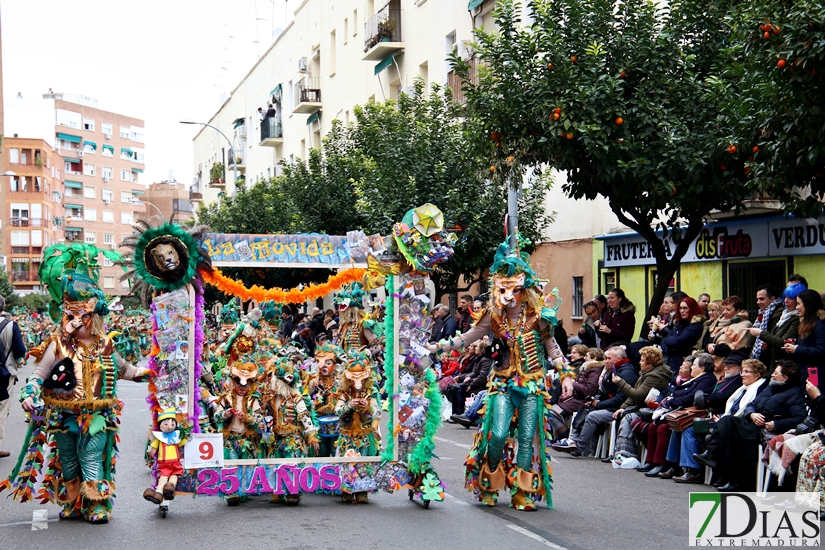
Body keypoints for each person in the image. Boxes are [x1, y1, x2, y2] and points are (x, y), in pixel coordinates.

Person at [429, 234, 575, 510]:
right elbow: (468, 337)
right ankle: (490, 485)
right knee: (496, 434)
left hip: (532, 386)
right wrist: (436, 347)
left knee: (526, 437)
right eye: (503, 290)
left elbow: (553, 348)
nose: (509, 296)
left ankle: (522, 492)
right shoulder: (492, 317)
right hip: (502, 384)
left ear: (525, 289)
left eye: (515, 290)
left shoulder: (540, 317)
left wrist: (566, 374)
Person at [6, 259, 147, 523]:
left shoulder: (104, 345)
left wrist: (151, 374)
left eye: (84, 315)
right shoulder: (57, 344)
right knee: (68, 462)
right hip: (63, 417)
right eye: (71, 315)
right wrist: (29, 394)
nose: (77, 321)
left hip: (96, 417)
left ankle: (96, 505)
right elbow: (38, 376)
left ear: (94, 317)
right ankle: (72, 503)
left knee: (92, 458)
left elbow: (126, 370)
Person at [707, 360, 807, 492]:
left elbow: (800, 418)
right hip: (753, 424)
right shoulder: (770, 388)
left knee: (729, 426)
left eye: (776, 373)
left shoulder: (794, 394)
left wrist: (776, 424)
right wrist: (752, 414)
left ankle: (714, 455)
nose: (772, 375)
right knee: (728, 425)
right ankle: (732, 477)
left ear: (785, 378)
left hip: (766, 429)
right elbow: (752, 404)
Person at [692, 359, 769, 486]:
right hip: (734, 423)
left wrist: (725, 420)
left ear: (757, 375)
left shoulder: (761, 388)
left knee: (726, 429)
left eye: (747, 372)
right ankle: (722, 476)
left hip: (749, 425)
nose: (742, 374)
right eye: (742, 371)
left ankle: (714, 458)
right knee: (715, 430)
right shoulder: (742, 389)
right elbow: (732, 409)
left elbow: (752, 407)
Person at [552, 345, 637, 457]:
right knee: (585, 406)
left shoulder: (626, 373)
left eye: (608, 358)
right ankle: (572, 440)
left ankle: (577, 448)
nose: (605, 361)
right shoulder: (612, 370)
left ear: (619, 359)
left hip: (619, 409)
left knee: (592, 415)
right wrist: (595, 400)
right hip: (606, 404)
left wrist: (599, 404)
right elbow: (604, 393)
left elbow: (620, 399)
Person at [608, 346, 673, 461]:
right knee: (622, 414)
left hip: (650, 410)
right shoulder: (646, 373)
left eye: (642, 360)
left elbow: (637, 394)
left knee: (628, 417)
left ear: (650, 363)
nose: (639, 362)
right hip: (642, 408)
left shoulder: (655, 376)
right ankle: (619, 451)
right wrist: (623, 407)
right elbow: (634, 394)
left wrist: (620, 383)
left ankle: (626, 454)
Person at [635, 357, 695, 476]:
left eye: (684, 367)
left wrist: (668, 402)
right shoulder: (675, 379)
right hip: (663, 410)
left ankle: (662, 463)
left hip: (678, 413)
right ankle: (650, 460)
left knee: (662, 428)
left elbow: (681, 399)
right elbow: (664, 392)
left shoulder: (691, 383)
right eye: (681, 365)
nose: (680, 368)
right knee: (649, 426)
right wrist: (659, 401)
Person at [748, 283, 803, 373]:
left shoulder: (794, 318)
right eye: (785, 297)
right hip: (774, 363)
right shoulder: (784, 315)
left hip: (785, 367)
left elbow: (782, 342)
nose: (786, 301)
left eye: (790, 298)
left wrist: (760, 333)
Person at [782, 289, 825, 392]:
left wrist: (797, 349)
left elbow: (822, 351)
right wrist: (793, 345)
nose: (796, 307)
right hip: (805, 374)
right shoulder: (805, 323)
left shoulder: (820, 325)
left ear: (808, 305)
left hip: (816, 376)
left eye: (799, 304)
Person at [0, 296, 27, 458]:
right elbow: (20, 350)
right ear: (3, 307)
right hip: (5, 372)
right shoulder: (10, 325)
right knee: (2, 409)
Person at [660, 297, 704, 372]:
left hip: (684, 363)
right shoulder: (678, 323)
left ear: (692, 309)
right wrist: (669, 348)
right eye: (680, 308)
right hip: (671, 360)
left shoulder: (695, 326)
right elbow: (664, 340)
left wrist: (667, 340)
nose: (682, 311)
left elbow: (679, 342)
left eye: (685, 308)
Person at [706, 296, 753, 366]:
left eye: (728, 309)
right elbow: (710, 340)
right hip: (714, 362)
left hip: (731, 364)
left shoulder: (745, 325)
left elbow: (739, 348)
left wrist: (716, 349)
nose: (724, 312)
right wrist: (709, 346)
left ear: (738, 310)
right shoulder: (719, 322)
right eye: (723, 309)